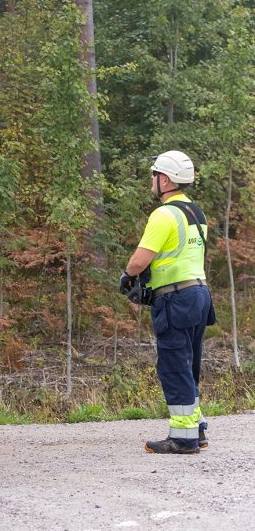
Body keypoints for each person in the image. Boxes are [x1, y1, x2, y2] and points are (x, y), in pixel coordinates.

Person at [120, 150, 214, 455]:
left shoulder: (164, 214)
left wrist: (127, 275)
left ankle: (183, 439)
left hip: (176, 298)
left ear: (164, 180)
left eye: (154, 175)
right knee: (189, 363)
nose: (152, 180)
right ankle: (197, 429)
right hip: (199, 294)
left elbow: (140, 260)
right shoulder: (196, 213)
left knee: (174, 365)